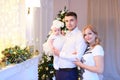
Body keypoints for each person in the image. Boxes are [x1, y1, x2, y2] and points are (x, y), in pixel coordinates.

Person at [53, 12, 87, 80]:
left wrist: (60, 54)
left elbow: (77, 57)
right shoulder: (66, 34)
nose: (69, 23)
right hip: (59, 70)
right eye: (66, 21)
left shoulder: (80, 36)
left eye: (71, 20)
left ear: (76, 21)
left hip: (69, 73)